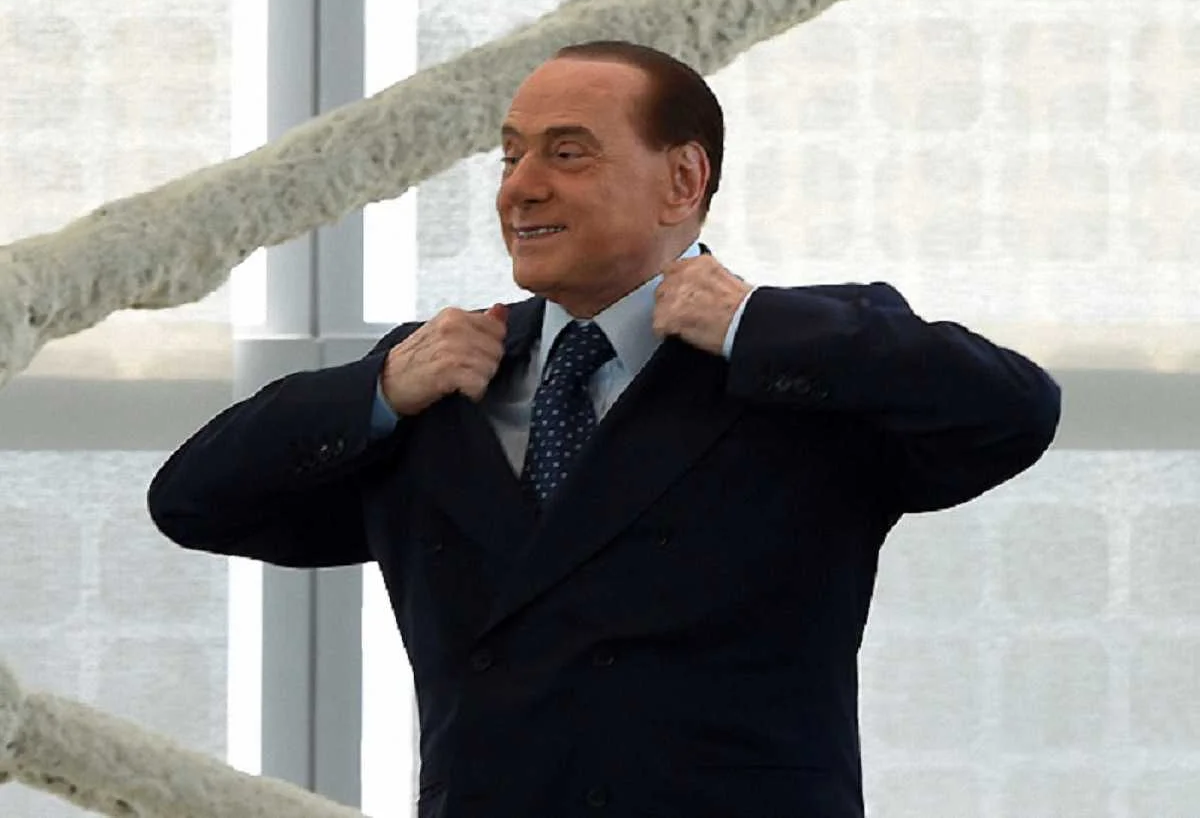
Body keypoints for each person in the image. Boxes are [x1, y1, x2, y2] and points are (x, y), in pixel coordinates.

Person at [148, 41, 1061, 817]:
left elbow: (1013, 412)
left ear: (682, 180)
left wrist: (755, 325)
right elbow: (194, 501)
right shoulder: (443, 376)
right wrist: (380, 387)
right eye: (510, 157)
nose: (520, 188)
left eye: (568, 153)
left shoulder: (802, 359)